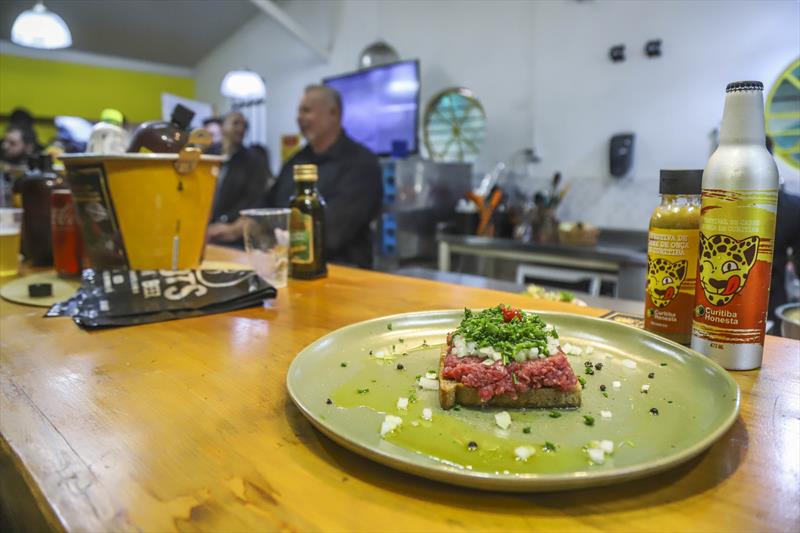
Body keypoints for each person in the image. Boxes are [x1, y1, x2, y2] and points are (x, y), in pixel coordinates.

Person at [208, 85, 382, 269]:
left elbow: (331, 232)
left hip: (341, 269)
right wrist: (234, 229)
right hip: (285, 265)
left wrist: (266, 231)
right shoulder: (296, 160)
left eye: (306, 111)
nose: (299, 118)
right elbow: (267, 203)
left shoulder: (362, 164)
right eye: (299, 111)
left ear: (333, 113)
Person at [207, 111, 272, 235]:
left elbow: (253, 198)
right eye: (236, 123)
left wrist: (225, 221)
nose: (241, 129)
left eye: (244, 126)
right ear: (222, 126)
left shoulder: (253, 160)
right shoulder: (209, 156)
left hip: (233, 228)